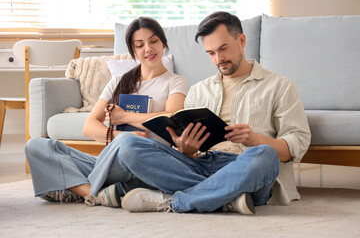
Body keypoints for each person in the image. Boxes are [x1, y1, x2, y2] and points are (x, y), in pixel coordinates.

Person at [117, 11, 311, 215]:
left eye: (223, 48)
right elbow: (185, 152)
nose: (219, 59)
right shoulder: (199, 90)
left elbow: (298, 143)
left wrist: (255, 139)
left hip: (244, 166)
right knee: (129, 146)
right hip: (200, 164)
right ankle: (227, 197)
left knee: (265, 155)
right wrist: (186, 150)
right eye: (211, 53)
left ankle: (177, 201)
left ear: (242, 40)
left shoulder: (280, 86)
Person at [24, 17, 188, 208]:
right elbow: (90, 126)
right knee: (35, 145)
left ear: (163, 43)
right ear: (133, 50)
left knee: (130, 144)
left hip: (144, 161)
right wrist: (120, 135)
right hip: (108, 162)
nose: (148, 49)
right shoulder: (119, 81)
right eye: (140, 45)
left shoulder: (175, 81)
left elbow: (170, 119)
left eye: (153, 41)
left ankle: (76, 184)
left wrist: (125, 117)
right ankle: (95, 193)